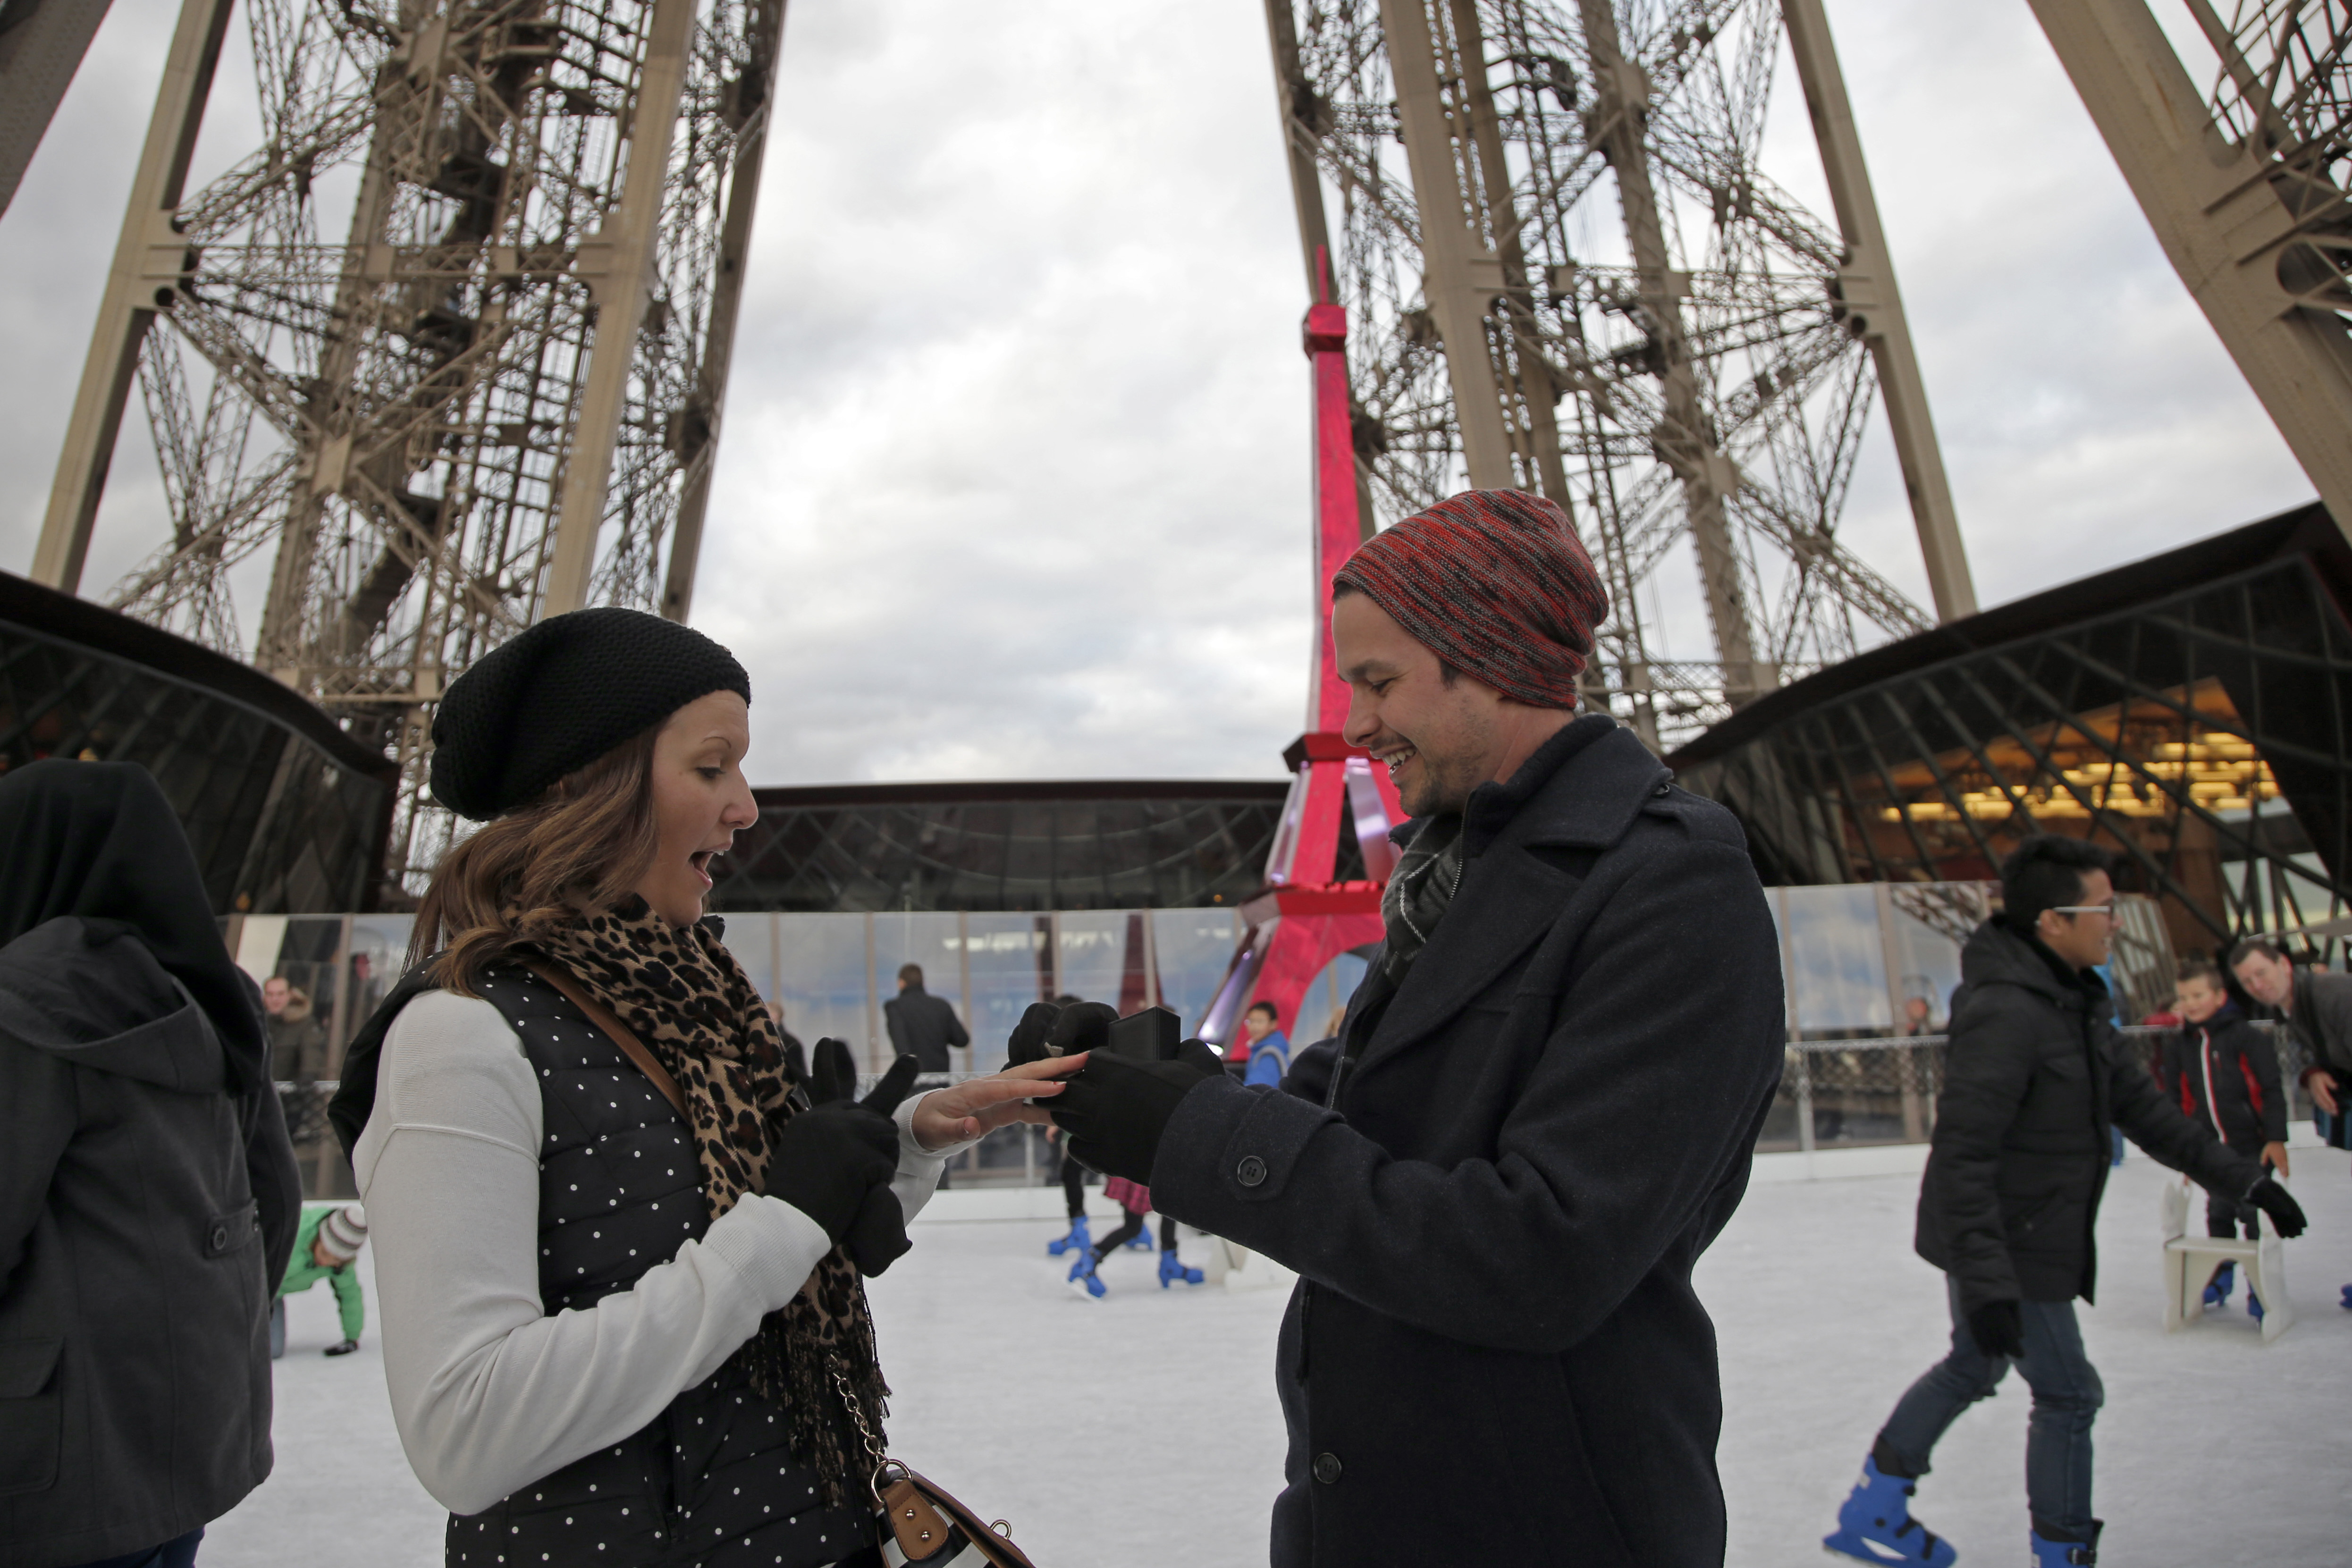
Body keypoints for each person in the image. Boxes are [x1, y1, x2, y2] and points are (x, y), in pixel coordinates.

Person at [1037, 490, 1788, 1565]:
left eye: (1380, 681)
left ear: (1490, 660)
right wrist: (1151, 1082)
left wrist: (1200, 1135)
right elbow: (1342, 1103)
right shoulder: (1452, 875)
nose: (1355, 725)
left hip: (1544, 1523)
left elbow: (1540, 1254)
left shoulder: (1666, 880)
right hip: (1373, 1509)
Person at [326, 607, 1079, 1566]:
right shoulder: (459, 1036)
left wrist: (910, 1142)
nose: (746, 806)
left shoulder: (700, 1006)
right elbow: (464, 1431)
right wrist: (785, 1215)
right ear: (590, 784)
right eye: (711, 766)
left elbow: (754, 1258)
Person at [1821, 837, 2307, 1568]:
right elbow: (1962, 1155)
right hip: (2008, 1238)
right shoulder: (2005, 1014)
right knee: (2069, 1394)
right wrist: (1986, 1280)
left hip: (2022, 1226)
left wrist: (2242, 1178)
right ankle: (2061, 1551)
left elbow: (2145, 1112)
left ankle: (1873, 1504)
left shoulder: (2074, 1002)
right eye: (2102, 908)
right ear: (2052, 921)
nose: (2113, 921)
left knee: (1973, 1365)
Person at [0, 760, 303, 1568]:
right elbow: (273, 1197)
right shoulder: (214, 991)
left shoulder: (20, 1004)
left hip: (45, 1463)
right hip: (190, 1442)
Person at [2157, 956, 2289, 1319]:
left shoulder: (2246, 1038)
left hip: (2252, 1149)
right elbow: (2176, 1102)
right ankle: (2222, 1275)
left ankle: (2259, 1287)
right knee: (2218, 1214)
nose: (2190, 1004)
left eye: (2198, 995)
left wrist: (2275, 1138)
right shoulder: (2179, 1047)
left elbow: (2270, 1090)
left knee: (2253, 1216)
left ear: (2218, 996)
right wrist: (2184, 1153)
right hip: (2209, 1151)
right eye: (2183, 997)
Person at [2229, 935, 2352, 1311]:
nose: (2257, 985)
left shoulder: (2334, 993)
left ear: (2283, 964)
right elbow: (2307, 1049)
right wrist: (2312, 1071)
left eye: (2260, 973)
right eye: (2247, 982)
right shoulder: (2292, 1005)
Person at [1063, 1174, 1202, 1297]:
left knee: (1170, 1206)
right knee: (1134, 1226)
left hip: (1150, 1162)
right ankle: (1088, 1261)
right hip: (1144, 1164)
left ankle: (1170, 1264)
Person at [274, 1204, 369, 1358]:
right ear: (319, 1235)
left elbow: (350, 1296)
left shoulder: (341, 1266)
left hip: (271, 1296)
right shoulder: (291, 1231)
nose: (326, 1262)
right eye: (325, 1252)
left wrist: (352, 1338)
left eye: (336, 1259)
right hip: (243, 1286)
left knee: (272, 1350)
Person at [884, 962, 969, 1074]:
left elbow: (901, 1047)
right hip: (941, 1079)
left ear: (901, 983)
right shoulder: (942, 1005)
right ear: (923, 983)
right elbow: (962, 1040)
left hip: (913, 1079)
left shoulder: (895, 1007)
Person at [263, 975, 331, 1085]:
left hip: (292, 1095)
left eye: (280, 994)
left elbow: (311, 1052)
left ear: (290, 995)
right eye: (270, 994)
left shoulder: (305, 1025)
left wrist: (308, 1076)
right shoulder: (259, 1024)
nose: (275, 999)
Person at [1240, 1000, 1290, 1087]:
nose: (1255, 1026)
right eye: (1251, 1021)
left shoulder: (1270, 1054)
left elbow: (1255, 1089)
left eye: (1260, 1021)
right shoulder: (1261, 1049)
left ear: (1273, 1024)